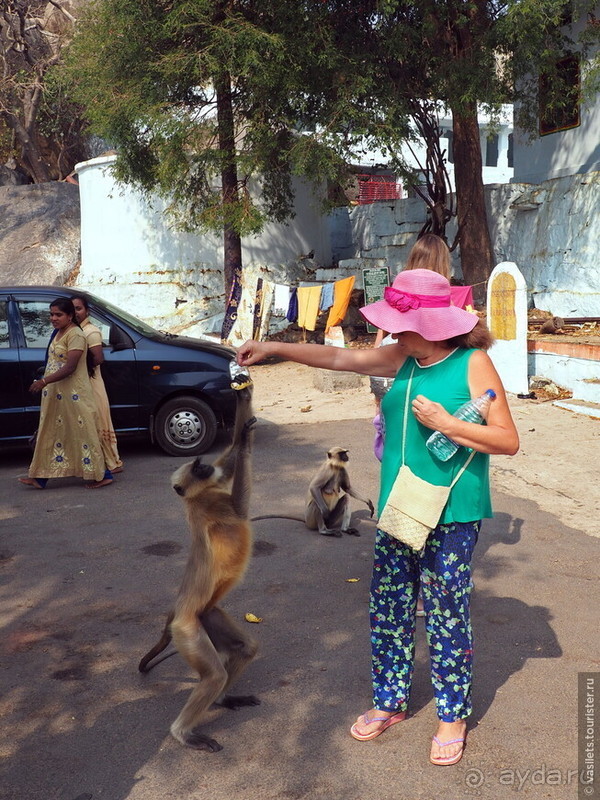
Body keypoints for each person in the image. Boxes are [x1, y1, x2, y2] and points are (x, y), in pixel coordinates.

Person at [236, 266, 519, 767]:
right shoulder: (403, 357)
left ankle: (452, 715)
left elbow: (508, 440)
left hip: (452, 513)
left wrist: (449, 424)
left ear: (431, 324)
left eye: (399, 322)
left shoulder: (473, 364)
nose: (390, 330)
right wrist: (274, 349)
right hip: (399, 509)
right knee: (389, 606)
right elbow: (340, 357)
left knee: (446, 611)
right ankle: (391, 701)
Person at [18, 298, 113, 490]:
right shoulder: (58, 333)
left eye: (58, 314)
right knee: (50, 432)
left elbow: (70, 367)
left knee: (85, 433)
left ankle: (104, 475)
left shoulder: (76, 335)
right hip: (57, 396)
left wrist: (43, 382)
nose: (53, 318)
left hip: (75, 395)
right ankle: (40, 476)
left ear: (70, 316)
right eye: (51, 314)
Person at [72, 295, 123, 474]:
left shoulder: (90, 331)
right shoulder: (75, 331)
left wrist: (74, 367)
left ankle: (111, 462)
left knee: (99, 421)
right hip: (82, 384)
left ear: (87, 311)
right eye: (72, 309)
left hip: (92, 383)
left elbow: (98, 359)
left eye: (78, 309)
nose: (75, 312)